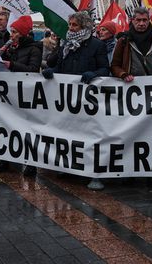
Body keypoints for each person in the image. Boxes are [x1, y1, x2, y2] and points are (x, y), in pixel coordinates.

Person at [42, 11, 109, 190]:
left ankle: (93, 174)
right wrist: (53, 71)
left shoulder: (97, 45)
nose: (70, 28)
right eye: (70, 24)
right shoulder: (66, 44)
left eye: (74, 25)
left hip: (88, 101)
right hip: (67, 99)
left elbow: (105, 69)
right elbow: (60, 65)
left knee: (89, 136)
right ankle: (67, 167)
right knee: (68, 133)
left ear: (84, 26)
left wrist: (93, 74)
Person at [0, 15, 42, 175]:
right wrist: (2, 55)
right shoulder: (11, 47)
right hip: (12, 93)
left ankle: (31, 164)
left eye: (15, 32)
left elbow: (33, 69)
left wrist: (13, 65)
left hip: (27, 94)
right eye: (11, 31)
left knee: (27, 130)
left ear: (22, 33)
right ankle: (6, 159)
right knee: (8, 126)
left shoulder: (34, 48)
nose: (11, 34)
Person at [111, 7, 152, 81]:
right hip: (132, 85)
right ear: (132, 21)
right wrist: (123, 74)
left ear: (149, 21)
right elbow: (114, 66)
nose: (141, 23)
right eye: (138, 20)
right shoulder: (123, 40)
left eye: (144, 20)